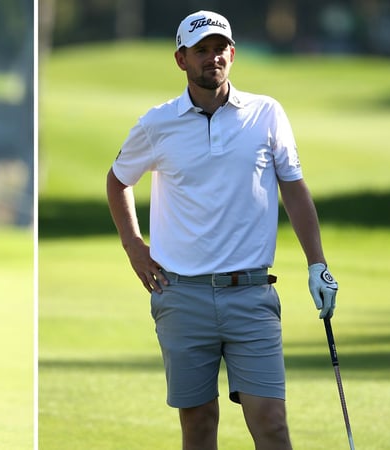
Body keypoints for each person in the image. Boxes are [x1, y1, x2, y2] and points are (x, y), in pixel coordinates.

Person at [106, 10, 339, 450]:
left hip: (250, 294)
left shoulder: (266, 114)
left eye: (220, 49)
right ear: (181, 59)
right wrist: (134, 246)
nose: (212, 58)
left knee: (271, 423)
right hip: (181, 295)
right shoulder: (158, 123)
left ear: (232, 54)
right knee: (198, 425)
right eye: (201, 51)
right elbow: (118, 179)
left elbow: (293, 187)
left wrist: (317, 265)